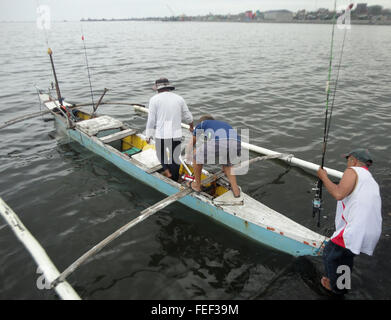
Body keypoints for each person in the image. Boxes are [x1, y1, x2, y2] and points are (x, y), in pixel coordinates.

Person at [317, 148, 382, 295]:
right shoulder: (371, 180)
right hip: (370, 230)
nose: (347, 164)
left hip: (354, 229)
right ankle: (343, 284)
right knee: (345, 257)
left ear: (353, 160)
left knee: (329, 253)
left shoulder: (353, 171)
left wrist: (323, 177)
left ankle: (334, 287)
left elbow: (339, 194)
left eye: (348, 160)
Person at [146, 78, 194, 181]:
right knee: (175, 158)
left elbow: (151, 120)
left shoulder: (154, 99)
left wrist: (148, 135)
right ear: (168, 87)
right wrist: (191, 126)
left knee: (161, 153)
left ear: (158, 88)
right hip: (175, 134)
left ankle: (167, 172)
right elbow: (188, 116)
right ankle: (175, 178)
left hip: (161, 134)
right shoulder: (179, 98)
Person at [187, 115, 241, 197]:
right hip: (237, 143)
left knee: (196, 157)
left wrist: (188, 155)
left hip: (221, 141)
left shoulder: (202, 124)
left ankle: (197, 186)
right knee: (228, 165)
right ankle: (236, 190)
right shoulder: (222, 124)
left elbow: (192, 142)